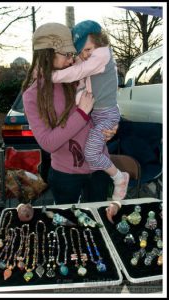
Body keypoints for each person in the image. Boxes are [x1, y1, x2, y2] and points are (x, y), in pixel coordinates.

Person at [22, 22, 119, 222]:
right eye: (66, 54)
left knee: (98, 223)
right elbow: (48, 143)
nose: (72, 59)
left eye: (72, 53)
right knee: (69, 225)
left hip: (99, 167)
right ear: (47, 54)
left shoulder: (79, 72)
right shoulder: (33, 95)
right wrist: (81, 114)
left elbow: (107, 99)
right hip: (66, 175)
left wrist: (112, 127)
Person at [51, 20, 130, 217]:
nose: (84, 55)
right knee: (93, 156)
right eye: (81, 52)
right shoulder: (92, 57)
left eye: (86, 49)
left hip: (105, 114)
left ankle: (120, 178)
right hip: (99, 115)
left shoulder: (102, 54)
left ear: (99, 40)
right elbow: (80, 69)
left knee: (92, 154)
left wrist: (52, 76)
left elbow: (79, 71)